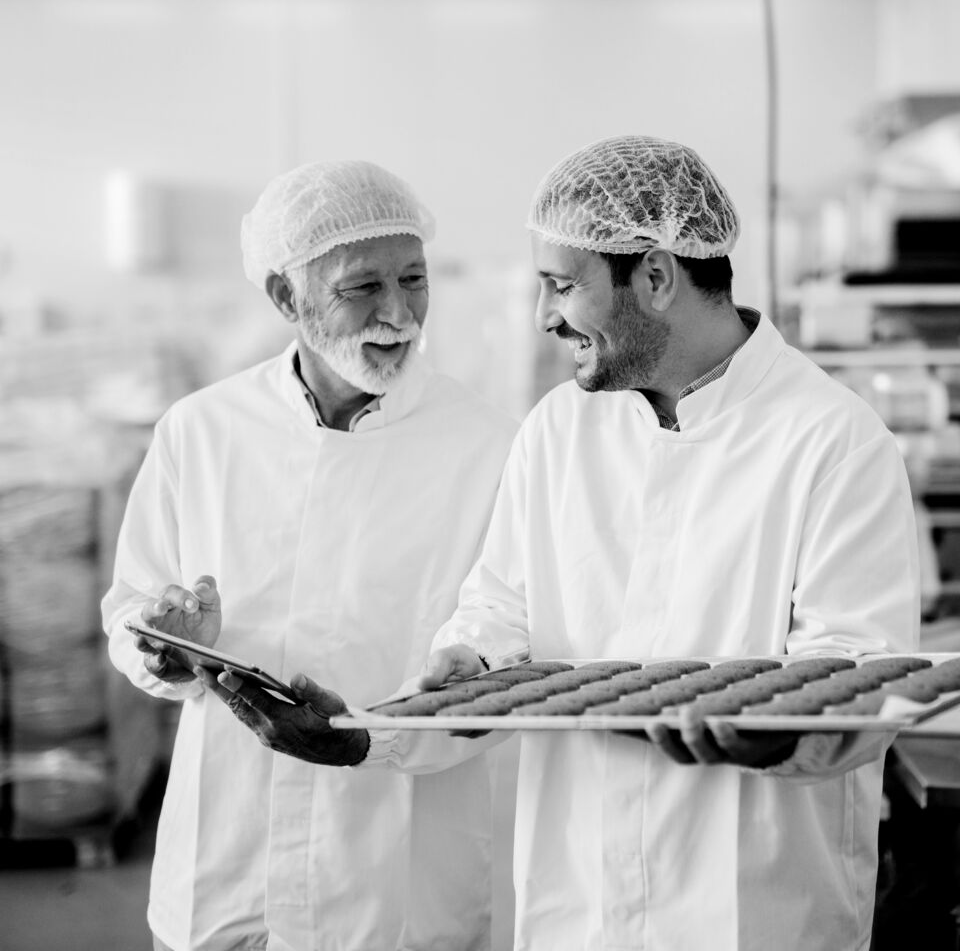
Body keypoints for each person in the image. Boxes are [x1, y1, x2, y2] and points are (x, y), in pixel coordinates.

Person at [210, 137, 919, 951]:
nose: (545, 316)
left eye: (561, 286)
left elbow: (860, 678)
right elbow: (499, 612)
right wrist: (460, 672)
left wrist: (775, 729)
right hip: (577, 906)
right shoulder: (558, 430)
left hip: (750, 912)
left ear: (655, 278)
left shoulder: (831, 440)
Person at [101, 160, 517, 951]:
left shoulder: (490, 448)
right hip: (226, 870)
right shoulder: (203, 432)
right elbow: (129, 603)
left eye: (414, 280)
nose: (398, 313)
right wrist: (167, 643)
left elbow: (508, 665)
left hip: (397, 886)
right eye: (362, 288)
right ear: (287, 298)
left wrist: (373, 738)